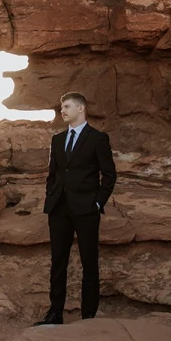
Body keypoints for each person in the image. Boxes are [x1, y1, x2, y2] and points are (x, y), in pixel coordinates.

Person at [35, 92, 117, 326]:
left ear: (81, 109)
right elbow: (53, 174)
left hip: (86, 210)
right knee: (58, 261)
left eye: (67, 106)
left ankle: (88, 315)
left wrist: (98, 202)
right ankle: (55, 314)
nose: (63, 110)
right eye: (62, 107)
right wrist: (51, 195)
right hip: (59, 208)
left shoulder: (98, 138)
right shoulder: (58, 140)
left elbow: (109, 175)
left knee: (89, 261)